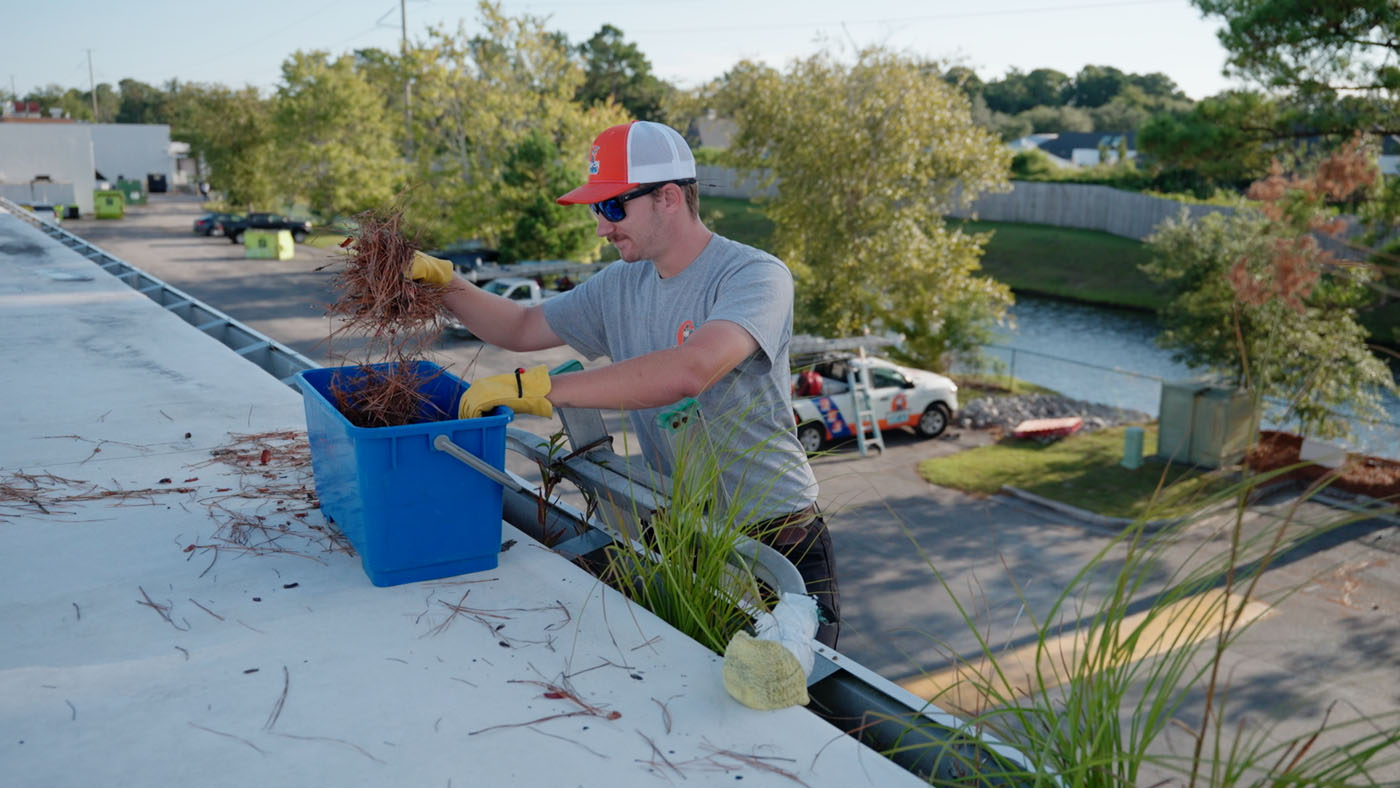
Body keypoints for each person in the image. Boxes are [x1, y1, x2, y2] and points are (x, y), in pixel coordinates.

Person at [413, 120, 839, 647]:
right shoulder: (621, 282)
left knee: (798, 706)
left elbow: (690, 370)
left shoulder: (753, 276)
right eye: (596, 209)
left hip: (774, 535)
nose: (601, 227)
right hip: (683, 528)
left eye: (613, 207)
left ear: (668, 197)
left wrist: (542, 390)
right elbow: (523, 327)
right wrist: (447, 285)